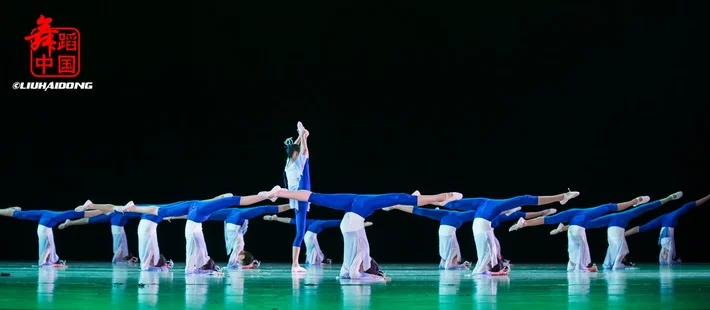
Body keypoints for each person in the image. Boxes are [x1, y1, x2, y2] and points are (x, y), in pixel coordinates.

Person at [264, 186, 463, 279]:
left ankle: (280, 191)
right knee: (356, 260)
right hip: (351, 224)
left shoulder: (366, 200)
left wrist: (281, 193)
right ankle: (443, 197)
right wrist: (378, 278)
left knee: (317, 197)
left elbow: (312, 196)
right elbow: (410, 201)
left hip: (352, 220)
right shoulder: (375, 201)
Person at [84, 190, 277, 274]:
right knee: (196, 254)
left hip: (187, 224)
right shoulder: (214, 205)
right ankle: (194, 269)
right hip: (192, 230)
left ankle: (128, 207)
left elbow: (171, 213)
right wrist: (265, 195)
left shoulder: (195, 204)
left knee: (151, 211)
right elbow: (242, 200)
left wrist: (126, 208)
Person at [438, 189, 580, 275]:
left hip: (482, 227)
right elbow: (525, 200)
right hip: (481, 227)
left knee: (490, 252)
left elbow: (452, 203)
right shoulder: (491, 204)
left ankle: (489, 270)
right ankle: (482, 272)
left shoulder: (483, 203)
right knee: (487, 254)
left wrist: (425, 199)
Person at [509, 195, 650, 272]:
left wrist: (526, 223)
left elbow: (548, 220)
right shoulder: (593, 211)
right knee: (583, 249)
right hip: (578, 230)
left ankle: (574, 265)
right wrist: (634, 201)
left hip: (571, 230)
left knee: (574, 249)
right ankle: (585, 266)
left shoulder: (573, 212)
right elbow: (614, 207)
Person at [551, 192, 683, 269]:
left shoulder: (614, 216)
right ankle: (617, 264)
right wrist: (667, 199)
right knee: (621, 248)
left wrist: (563, 228)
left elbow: (589, 224)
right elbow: (647, 208)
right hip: (617, 233)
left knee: (616, 247)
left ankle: (611, 263)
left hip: (612, 234)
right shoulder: (626, 214)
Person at [165, 204, 290, 269]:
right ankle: (292, 204)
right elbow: (232, 266)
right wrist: (248, 266)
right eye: (241, 260)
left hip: (234, 218)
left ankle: (172, 215)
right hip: (235, 220)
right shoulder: (238, 248)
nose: (238, 260)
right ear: (242, 256)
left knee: (201, 214)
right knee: (264, 209)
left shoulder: (240, 244)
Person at [0, 204, 102, 268]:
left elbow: (87, 214)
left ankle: (52, 260)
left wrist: (101, 209)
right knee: (47, 247)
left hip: (46, 224)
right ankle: (46, 262)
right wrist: (103, 210)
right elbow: (88, 214)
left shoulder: (60, 214)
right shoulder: (70, 214)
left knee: (19, 214)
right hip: (44, 227)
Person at [382, 202, 476, 270]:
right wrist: (461, 266)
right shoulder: (452, 254)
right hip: (448, 227)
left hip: (447, 223)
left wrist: (461, 266)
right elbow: (448, 266)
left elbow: (448, 265)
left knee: (421, 211)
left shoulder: (451, 254)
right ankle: (397, 205)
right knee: (421, 211)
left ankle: (397, 204)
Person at [625, 193, 710, 265]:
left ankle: (623, 233)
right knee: (666, 260)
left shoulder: (669, 216)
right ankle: (623, 234)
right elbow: (690, 205)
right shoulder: (673, 215)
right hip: (667, 232)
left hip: (666, 227)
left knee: (642, 228)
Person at [264, 215, 372, 266]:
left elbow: (292, 221)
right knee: (316, 252)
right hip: (310, 237)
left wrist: (275, 218)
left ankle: (315, 262)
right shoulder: (317, 222)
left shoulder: (315, 221)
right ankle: (315, 263)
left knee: (316, 252)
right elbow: (338, 222)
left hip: (310, 237)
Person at [58, 211, 142, 264]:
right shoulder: (119, 213)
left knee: (92, 219)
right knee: (119, 253)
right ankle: (70, 222)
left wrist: (70, 223)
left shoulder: (114, 213)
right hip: (118, 227)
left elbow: (89, 220)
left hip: (117, 223)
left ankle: (70, 222)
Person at [283, 121, 312, 272]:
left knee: (300, 232)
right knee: (306, 161)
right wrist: (303, 136)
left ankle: (295, 264)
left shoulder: (288, 163)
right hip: (301, 194)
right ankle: (295, 264)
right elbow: (304, 151)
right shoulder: (297, 162)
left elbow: (292, 149)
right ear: (296, 154)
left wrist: (301, 134)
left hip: (296, 198)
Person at [488, 208, 558, 269]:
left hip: (489, 225)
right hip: (486, 227)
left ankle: (543, 212)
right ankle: (498, 262)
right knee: (494, 245)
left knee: (494, 244)